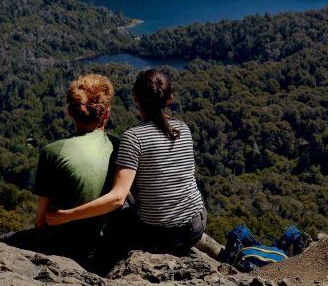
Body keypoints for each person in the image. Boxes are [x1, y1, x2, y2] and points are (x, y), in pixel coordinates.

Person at [46, 68, 221, 258]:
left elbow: (117, 198)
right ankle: (209, 245)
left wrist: (65, 215)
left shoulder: (134, 137)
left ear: (135, 99)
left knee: (122, 208)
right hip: (196, 224)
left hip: (161, 239)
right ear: (169, 98)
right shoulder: (183, 129)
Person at [2, 74, 119, 268]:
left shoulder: (53, 152)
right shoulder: (119, 146)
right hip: (105, 248)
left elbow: (40, 221)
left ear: (69, 112)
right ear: (106, 114)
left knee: (2, 242)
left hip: (64, 249)